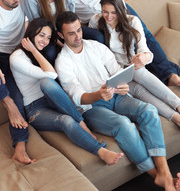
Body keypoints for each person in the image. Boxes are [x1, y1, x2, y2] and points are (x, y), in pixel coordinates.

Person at [54, 11, 180, 191]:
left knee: (149, 111)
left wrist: (124, 85)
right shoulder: (63, 62)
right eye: (71, 33)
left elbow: (116, 71)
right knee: (124, 124)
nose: (77, 36)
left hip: (116, 95)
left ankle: (165, 173)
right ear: (61, 35)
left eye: (79, 31)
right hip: (92, 107)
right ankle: (157, 176)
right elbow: (77, 96)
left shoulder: (96, 46)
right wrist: (99, 94)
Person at [10, 17, 124, 165]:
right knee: (65, 118)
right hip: (35, 109)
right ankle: (99, 149)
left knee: (47, 84)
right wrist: (32, 49)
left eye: (48, 37)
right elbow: (51, 75)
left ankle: (81, 122)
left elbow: (51, 75)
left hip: (53, 99)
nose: (44, 41)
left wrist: (38, 49)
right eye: (41, 35)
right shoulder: (16, 58)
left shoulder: (40, 53)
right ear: (31, 34)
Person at [56, 0, 180, 87]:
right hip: (97, 20)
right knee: (115, 43)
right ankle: (165, 71)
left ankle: (169, 74)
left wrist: (120, 15)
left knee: (144, 34)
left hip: (116, 8)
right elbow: (66, 15)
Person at [89, 0, 180, 126]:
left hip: (133, 66)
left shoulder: (132, 21)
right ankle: (175, 117)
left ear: (120, 10)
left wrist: (144, 57)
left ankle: (178, 105)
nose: (108, 16)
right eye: (105, 11)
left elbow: (144, 48)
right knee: (139, 91)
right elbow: (93, 47)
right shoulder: (96, 21)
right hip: (115, 72)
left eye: (113, 12)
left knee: (140, 73)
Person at [0, 0, 36, 164]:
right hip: (1, 56)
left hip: (18, 51)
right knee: (15, 97)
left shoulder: (21, 0)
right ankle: (9, 104)